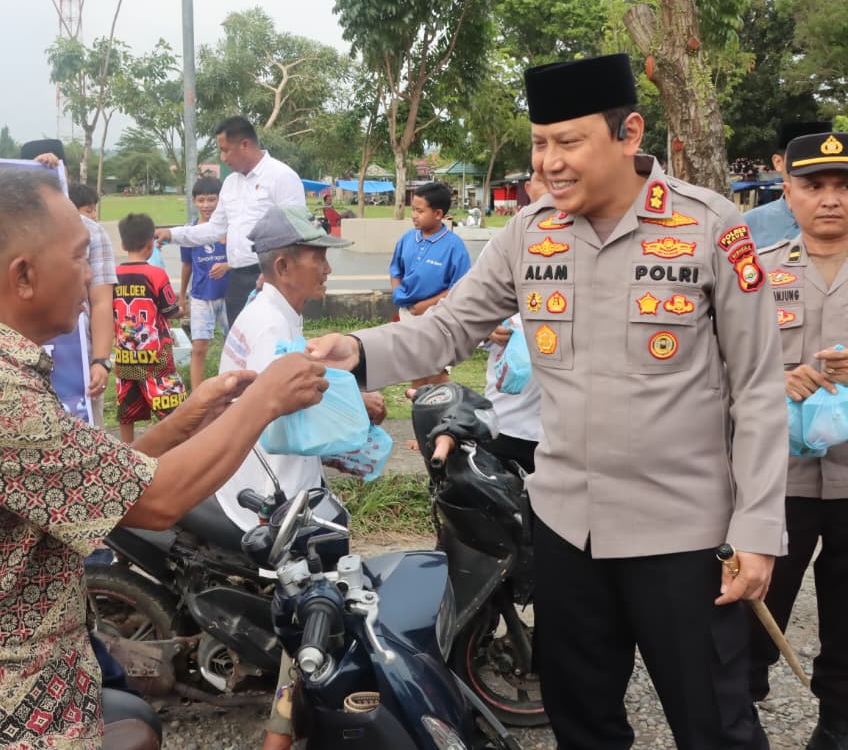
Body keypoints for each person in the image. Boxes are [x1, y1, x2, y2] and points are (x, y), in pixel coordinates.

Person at [307, 53, 787, 750]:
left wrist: (758, 530)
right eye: (540, 143)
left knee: (714, 724)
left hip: (683, 535)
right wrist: (354, 350)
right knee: (581, 720)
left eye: (569, 141)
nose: (550, 162)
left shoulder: (710, 227)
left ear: (628, 134)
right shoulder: (530, 233)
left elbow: (759, 388)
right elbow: (449, 327)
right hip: (568, 530)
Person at [0, 167, 328, 749]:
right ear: (24, 275)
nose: (91, 275)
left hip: (30, 670)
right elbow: (156, 501)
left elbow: (95, 476)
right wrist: (264, 400)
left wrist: (190, 416)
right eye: (80, 257)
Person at [206, 205, 381, 750]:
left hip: (269, 474)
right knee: (321, 594)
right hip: (269, 494)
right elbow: (282, 408)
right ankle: (281, 736)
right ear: (283, 265)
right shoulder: (270, 325)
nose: (326, 268)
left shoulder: (274, 311)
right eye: (316, 257)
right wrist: (357, 408)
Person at [751, 131, 848, 750]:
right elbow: (718, 366)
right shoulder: (757, 272)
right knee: (752, 608)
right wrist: (776, 381)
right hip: (776, 478)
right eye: (814, 185)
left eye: (843, 186)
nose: (830, 199)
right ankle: (737, 717)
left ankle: (837, 727)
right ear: (787, 191)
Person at [155, 116, 305, 325]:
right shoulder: (230, 183)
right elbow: (215, 229)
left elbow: (297, 232)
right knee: (241, 340)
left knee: (276, 338)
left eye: (225, 150)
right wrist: (172, 234)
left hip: (273, 277)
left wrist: (273, 274)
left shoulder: (282, 177)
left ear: (245, 145)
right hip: (237, 279)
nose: (223, 157)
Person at [481, 173, 547, 474]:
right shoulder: (505, 246)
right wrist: (488, 330)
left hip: (572, 427)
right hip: (509, 417)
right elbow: (470, 314)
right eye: (545, 180)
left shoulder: (597, 246)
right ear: (529, 189)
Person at [113, 213, 186, 444]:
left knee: (127, 406)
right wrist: (183, 310)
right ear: (150, 245)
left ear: (123, 244)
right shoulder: (156, 274)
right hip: (156, 356)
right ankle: (172, 449)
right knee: (170, 405)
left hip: (125, 355)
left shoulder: (113, 275)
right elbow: (170, 310)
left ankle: (126, 450)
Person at [67, 182, 119, 425]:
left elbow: (101, 302)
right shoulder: (10, 228)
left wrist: (101, 361)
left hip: (81, 361)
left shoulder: (92, 232)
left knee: (88, 434)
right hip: (26, 363)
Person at [744, 121, 834, 248]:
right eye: (801, 159)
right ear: (778, 162)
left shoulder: (840, 218)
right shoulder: (749, 224)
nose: (813, 168)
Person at [390, 181, 471, 319]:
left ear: (438, 214)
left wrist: (425, 306)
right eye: (413, 209)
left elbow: (459, 288)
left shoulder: (454, 246)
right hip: (406, 313)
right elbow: (395, 270)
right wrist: (397, 292)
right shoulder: (407, 238)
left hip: (437, 316)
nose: (414, 215)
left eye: (420, 211)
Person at [179, 176, 229, 389]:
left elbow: (243, 258)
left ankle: (231, 389)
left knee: (233, 345)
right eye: (201, 200)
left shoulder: (231, 228)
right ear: (194, 201)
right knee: (199, 347)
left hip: (229, 296)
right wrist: (182, 296)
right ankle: (197, 395)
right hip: (200, 296)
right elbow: (186, 265)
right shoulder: (190, 232)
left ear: (221, 200)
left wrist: (227, 265)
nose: (206, 205)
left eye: (211, 199)